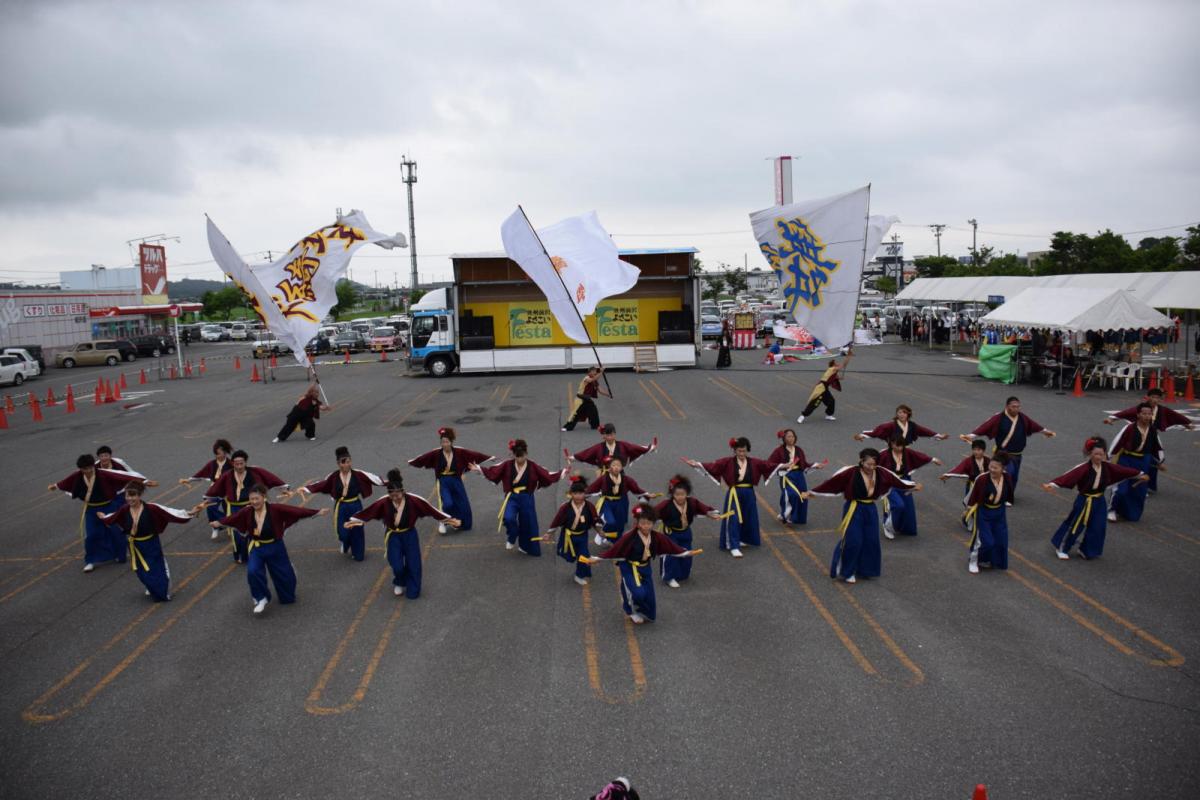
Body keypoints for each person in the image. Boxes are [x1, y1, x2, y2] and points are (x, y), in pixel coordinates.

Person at [805, 448, 918, 584]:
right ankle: (847, 572)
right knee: (854, 540)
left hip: (870, 508)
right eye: (868, 464)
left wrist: (913, 485)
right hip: (854, 508)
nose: (871, 467)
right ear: (861, 461)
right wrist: (813, 492)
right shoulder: (850, 472)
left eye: (873, 464)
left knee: (871, 540)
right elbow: (832, 483)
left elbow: (896, 480)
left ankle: (866, 570)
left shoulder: (881, 472)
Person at [344, 469, 459, 598]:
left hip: (409, 535)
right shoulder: (383, 502)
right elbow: (369, 512)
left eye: (397, 495)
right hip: (393, 536)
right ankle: (399, 580)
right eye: (392, 496)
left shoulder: (414, 500)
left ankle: (413, 589)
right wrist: (353, 521)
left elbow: (431, 510)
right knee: (396, 564)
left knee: (414, 563)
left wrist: (450, 520)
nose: (395, 498)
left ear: (402, 492)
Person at [217, 484, 328, 614]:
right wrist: (220, 522)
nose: (254, 502)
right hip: (257, 547)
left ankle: (287, 590)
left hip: (275, 546)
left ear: (263, 497)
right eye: (251, 499)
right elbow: (234, 518)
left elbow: (295, 511)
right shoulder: (247, 511)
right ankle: (261, 597)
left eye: (256, 499)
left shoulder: (275, 509)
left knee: (285, 578)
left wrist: (316, 512)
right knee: (253, 571)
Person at [582, 505, 701, 624]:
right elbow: (615, 550)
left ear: (653, 523)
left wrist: (685, 552)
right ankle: (630, 611)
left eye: (649, 523)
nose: (646, 526)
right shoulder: (629, 537)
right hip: (630, 568)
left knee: (649, 597)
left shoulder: (656, 536)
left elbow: (670, 547)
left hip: (645, 567)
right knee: (638, 593)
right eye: (643, 523)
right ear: (638, 523)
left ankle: (644, 612)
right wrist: (598, 558)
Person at [1043, 437, 1147, 561]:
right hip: (1084, 500)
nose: (1099, 457)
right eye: (1096, 454)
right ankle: (1062, 547)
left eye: (1101, 454)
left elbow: (1123, 471)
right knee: (1076, 525)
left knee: (1098, 526)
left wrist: (1139, 474)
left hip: (1099, 500)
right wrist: (1053, 484)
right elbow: (1068, 476)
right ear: (1089, 453)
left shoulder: (1107, 467)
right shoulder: (1083, 468)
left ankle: (1087, 549)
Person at [684, 436, 789, 558]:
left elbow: (768, 465)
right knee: (733, 517)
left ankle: (741, 538)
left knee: (748, 516)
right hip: (734, 492)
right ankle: (733, 545)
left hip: (749, 492)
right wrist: (696, 464)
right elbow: (713, 466)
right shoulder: (727, 462)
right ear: (734, 451)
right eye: (739, 451)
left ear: (747, 450)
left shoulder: (754, 462)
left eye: (744, 451)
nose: (742, 453)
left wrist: (784, 465)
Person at [99, 481, 196, 601]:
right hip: (134, 545)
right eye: (127, 496)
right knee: (141, 572)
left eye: (133, 495)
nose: (130, 498)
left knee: (156, 568)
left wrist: (189, 513)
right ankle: (151, 587)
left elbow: (170, 512)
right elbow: (114, 516)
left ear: (139, 496)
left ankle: (164, 592)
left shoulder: (151, 508)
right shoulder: (124, 509)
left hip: (150, 544)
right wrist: (104, 517)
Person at [470, 439, 566, 556]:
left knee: (529, 523)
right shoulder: (507, 464)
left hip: (527, 497)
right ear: (513, 455)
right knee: (509, 518)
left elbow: (546, 474)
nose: (520, 459)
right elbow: (493, 472)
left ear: (526, 454)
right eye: (517, 456)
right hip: (512, 497)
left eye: (522, 456)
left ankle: (527, 547)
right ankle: (513, 535)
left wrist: (562, 472)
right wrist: (480, 469)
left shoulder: (532, 465)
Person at [48, 455, 143, 572]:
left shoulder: (104, 473)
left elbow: (122, 476)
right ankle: (90, 560)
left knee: (116, 531)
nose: (87, 471)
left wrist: (145, 481)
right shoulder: (77, 476)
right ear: (80, 469)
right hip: (91, 509)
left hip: (108, 506)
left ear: (93, 466)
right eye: (84, 469)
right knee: (92, 535)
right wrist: (55, 486)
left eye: (89, 468)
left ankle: (120, 555)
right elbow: (66, 482)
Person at [289, 446, 384, 561]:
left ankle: (358, 553)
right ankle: (346, 542)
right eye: (343, 463)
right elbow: (322, 484)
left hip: (355, 504)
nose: (347, 465)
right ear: (338, 463)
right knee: (342, 532)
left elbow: (376, 479)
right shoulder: (333, 476)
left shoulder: (358, 474)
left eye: (349, 461)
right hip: (342, 506)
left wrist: (392, 483)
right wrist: (305, 489)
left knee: (357, 530)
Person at [197, 450, 289, 564]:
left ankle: (255, 554)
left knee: (253, 531)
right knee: (237, 534)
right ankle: (240, 555)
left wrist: (283, 488)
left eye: (241, 463)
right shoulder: (227, 475)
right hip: (234, 508)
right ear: (233, 463)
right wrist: (206, 501)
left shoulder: (255, 471)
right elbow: (216, 488)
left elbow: (270, 478)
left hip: (251, 506)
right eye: (236, 463)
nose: (239, 466)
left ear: (245, 462)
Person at [960, 396, 1056, 496]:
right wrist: (971, 436)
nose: (1016, 409)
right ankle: (998, 494)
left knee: (1014, 476)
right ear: (1007, 407)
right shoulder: (999, 418)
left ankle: (1008, 496)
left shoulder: (1022, 417)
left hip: (1017, 454)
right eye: (1013, 406)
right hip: (1003, 454)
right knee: (1007, 474)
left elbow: (1034, 425)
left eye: (1018, 407)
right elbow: (985, 426)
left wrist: (1045, 431)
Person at [1104, 387, 1193, 494]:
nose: (1155, 400)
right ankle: (1127, 484)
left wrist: (1186, 423)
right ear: (1148, 397)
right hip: (1137, 434)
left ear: (1161, 399)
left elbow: (1174, 416)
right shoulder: (1141, 409)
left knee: (1153, 459)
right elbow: (1126, 413)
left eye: (1157, 398)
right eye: (1153, 397)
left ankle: (1148, 485)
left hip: (1151, 435)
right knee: (1133, 459)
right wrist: (1112, 418)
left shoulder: (1162, 410)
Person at [407, 427, 491, 532]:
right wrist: (413, 462)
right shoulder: (437, 453)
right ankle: (444, 521)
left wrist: (489, 457)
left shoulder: (459, 451)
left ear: (451, 442)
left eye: (447, 442)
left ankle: (461, 523)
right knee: (448, 503)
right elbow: (424, 458)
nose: (444, 444)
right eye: (442, 442)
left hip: (456, 480)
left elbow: (473, 454)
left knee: (462, 503)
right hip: (443, 481)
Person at [654, 475, 721, 588]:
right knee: (671, 554)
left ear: (687, 493)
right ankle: (669, 577)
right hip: (671, 533)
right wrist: (642, 516)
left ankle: (682, 574)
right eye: (677, 495)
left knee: (687, 552)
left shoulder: (692, 502)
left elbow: (703, 508)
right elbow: (653, 512)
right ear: (672, 494)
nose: (680, 497)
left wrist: (710, 513)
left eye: (682, 494)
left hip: (685, 531)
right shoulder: (666, 504)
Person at [877, 436, 942, 538]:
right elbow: (873, 465)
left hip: (904, 482)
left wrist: (932, 459)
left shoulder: (906, 452)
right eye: (897, 445)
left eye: (902, 445)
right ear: (891, 444)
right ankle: (888, 526)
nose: (900, 448)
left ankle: (904, 528)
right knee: (898, 505)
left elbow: (918, 456)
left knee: (907, 506)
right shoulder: (883, 454)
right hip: (889, 484)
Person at [544, 476, 603, 586]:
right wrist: (549, 533)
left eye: (581, 493)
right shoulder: (565, 507)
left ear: (585, 494)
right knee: (571, 556)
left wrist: (599, 531)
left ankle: (579, 575)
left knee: (584, 555)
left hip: (582, 536)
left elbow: (595, 520)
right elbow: (557, 521)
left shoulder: (590, 506)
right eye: (575, 493)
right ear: (571, 494)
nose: (578, 496)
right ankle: (580, 565)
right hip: (568, 536)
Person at [1108, 404, 1160, 523]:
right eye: (1144, 414)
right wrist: (1108, 459)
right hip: (1126, 459)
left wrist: (1158, 462)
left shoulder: (1152, 429)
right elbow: (1117, 443)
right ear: (1138, 415)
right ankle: (1112, 510)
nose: (1147, 416)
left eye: (1149, 414)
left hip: (1142, 461)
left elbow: (1156, 447)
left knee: (1139, 490)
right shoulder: (1129, 428)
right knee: (1121, 489)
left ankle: (1128, 512)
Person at [962, 453, 1014, 574]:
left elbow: (1009, 491)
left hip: (1000, 512)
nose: (992, 469)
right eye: (991, 466)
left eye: (996, 468)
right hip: (984, 512)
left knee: (1001, 540)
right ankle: (973, 560)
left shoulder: (1007, 478)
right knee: (985, 541)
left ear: (1003, 468)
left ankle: (991, 560)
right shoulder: (982, 478)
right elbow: (973, 495)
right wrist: (968, 509)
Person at [179, 438, 235, 540]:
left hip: (228, 490)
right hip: (215, 489)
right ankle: (216, 526)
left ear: (225, 452)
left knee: (229, 509)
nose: (217, 456)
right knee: (209, 506)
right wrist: (189, 480)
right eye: (216, 454)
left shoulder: (231, 464)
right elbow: (201, 473)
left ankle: (230, 522)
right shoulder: (212, 464)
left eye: (219, 453)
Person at [768, 428, 825, 525]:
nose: (791, 438)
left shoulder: (799, 450)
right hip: (787, 476)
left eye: (793, 436)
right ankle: (786, 515)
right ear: (784, 438)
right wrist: (783, 466)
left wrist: (816, 466)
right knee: (792, 494)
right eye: (789, 436)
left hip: (799, 476)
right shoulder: (778, 451)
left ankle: (795, 518)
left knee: (803, 495)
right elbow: (770, 463)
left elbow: (804, 464)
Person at [796, 349, 852, 423]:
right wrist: (848, 357)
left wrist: (841, 378)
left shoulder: (832, 371)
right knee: (815, 403)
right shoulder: (832, 369)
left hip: (824, 388)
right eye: (836, 363)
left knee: (831, 401)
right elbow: (843, 365)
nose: (838, 364)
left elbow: (836, 378)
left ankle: (829, 415)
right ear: (833, 365)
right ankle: (802, 416)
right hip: (821, 388)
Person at [573, 423, 657, 471]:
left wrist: (649, 448)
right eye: (607, 435)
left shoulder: (623, 445)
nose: (609, 437)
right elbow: (586, 453)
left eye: (611, 435)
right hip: (604, 475)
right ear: (603, 436)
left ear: (615, 434)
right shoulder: (598, 447)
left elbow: (635, 448)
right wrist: (573, 457)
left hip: (619, 473)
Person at [854, 404, 949, 445]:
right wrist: (862, 435)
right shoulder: (890, 425)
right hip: (892, 450)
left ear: (908, 414)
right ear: (896, 414)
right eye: (899, 412)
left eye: (904, 412)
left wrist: (939, 436)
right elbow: (876, 432)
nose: (902, 414)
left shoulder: (912, 425)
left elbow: (925, 431)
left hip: (905, 451)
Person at [940, 438, 991, 509]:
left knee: (984, 505)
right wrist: (948, 475)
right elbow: (959, 469)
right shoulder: (968, 461)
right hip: (972, 487)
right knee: (970, 505)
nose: (976, 452)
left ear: (983, 451)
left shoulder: (988, 461)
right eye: (974, 450)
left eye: (978, 450)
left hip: (985, 487)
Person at [562, 366, 610, 431]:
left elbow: (600, 390)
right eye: (593, 371)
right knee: (575, 414)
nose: (594, 373)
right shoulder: (587, 378)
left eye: (595, 372)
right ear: (589, 372)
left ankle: (595, 426)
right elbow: (592, 380)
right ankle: (567, 427)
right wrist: (601, 372)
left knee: (593, 410)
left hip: (587, 400)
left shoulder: (594, 381)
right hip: (580, 399)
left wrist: (608, 395)